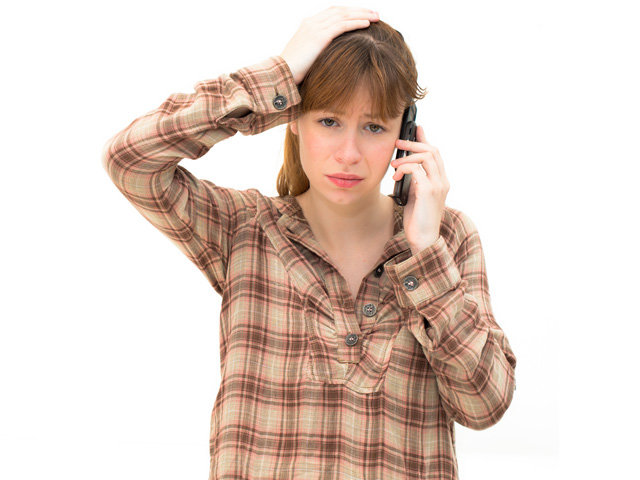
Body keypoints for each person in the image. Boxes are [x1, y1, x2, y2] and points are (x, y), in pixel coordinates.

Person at [102, 6, 517, 480]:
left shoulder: (446, 239)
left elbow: (485, 404)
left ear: (405, 135)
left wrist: (425, 252)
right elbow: (129, 159)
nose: (348, 153)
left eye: (374, 127)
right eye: (329, 121)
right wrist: (276, 77)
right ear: (293, 116)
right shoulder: (244, 228)